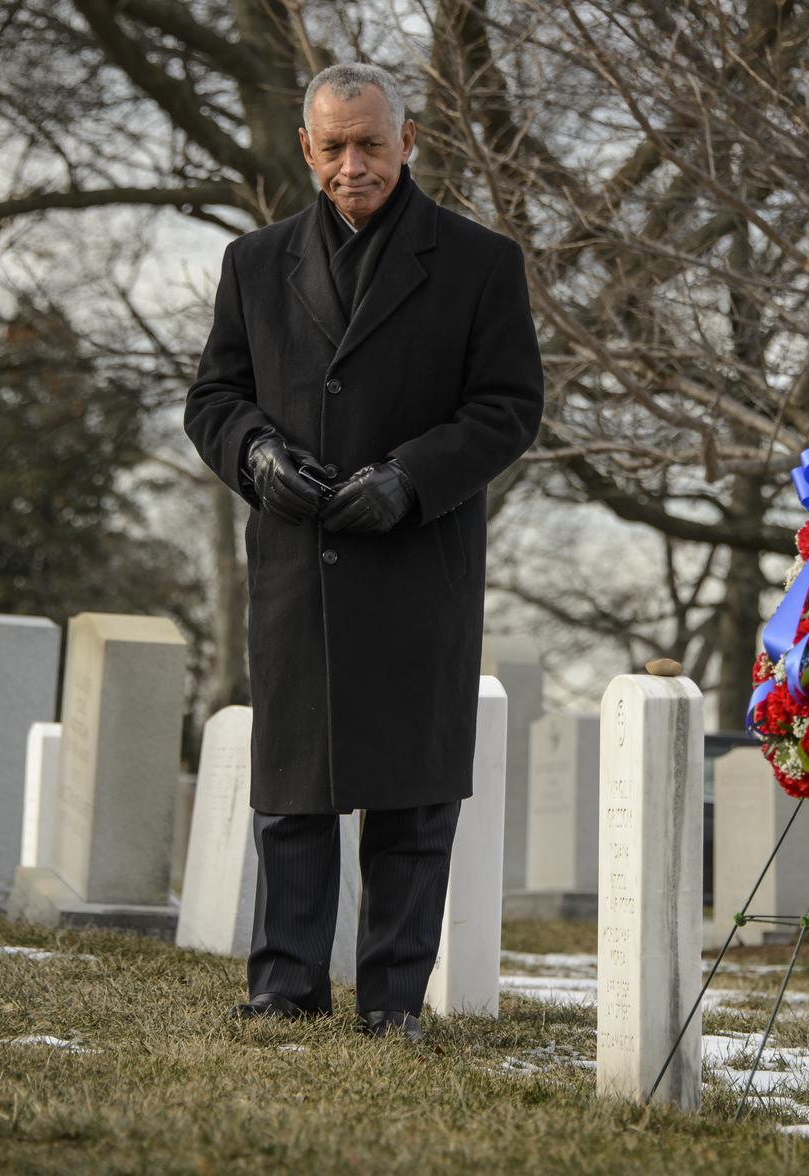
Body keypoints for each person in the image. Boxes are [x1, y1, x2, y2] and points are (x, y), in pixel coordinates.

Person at [184, 62, 543, 1040]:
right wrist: (255, 457)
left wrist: (411, 479)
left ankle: (392, 1001)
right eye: (333, 147)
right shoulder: (254, 263)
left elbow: (509, 407)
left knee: (413, 795)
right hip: (298, 563)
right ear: (306, 149)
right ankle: (285, 986)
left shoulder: (478, 262)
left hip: (418, 563)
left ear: (409, 140)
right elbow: (214, 399)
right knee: (292, 791)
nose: (353, 165)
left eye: (370, 145)